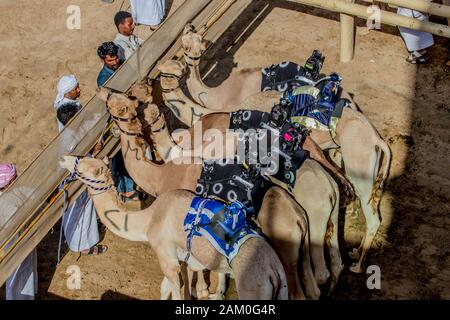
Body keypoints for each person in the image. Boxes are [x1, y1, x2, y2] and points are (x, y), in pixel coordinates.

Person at [56, 102, 108, 256]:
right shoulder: (69, 139)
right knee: (82, 211)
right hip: (74, 181)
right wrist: (94, 152)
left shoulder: (69, 133)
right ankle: (83, 246)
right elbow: (77, 161)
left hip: (73, 179)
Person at [0, 163, 38, 300]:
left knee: (27, 266)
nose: (18, 179)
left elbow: (34, 194)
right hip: (13, 242)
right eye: (15, 178)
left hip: (23, 237)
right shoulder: (5, 202)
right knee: (17, 270)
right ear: (9, 182)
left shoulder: (17, 190)